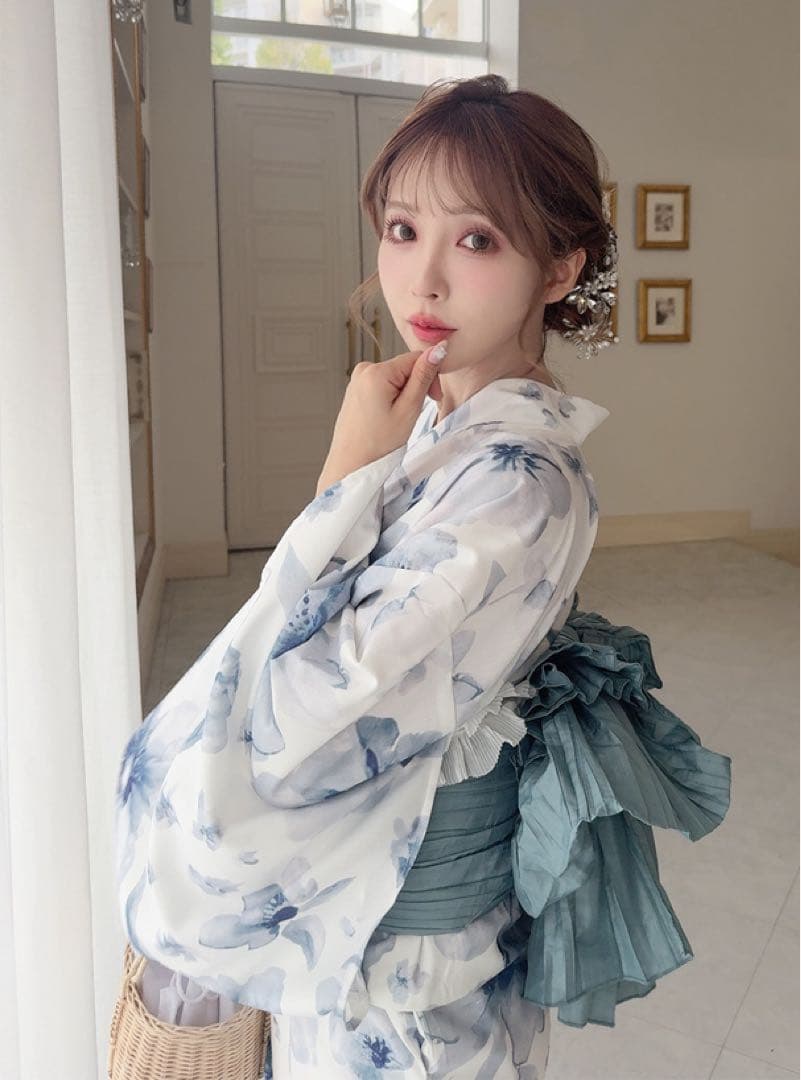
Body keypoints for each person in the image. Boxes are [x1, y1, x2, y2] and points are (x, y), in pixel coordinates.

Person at [114, 76, 731, 1078]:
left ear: (559, 266)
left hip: (411, 979)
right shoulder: (447, 424)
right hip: (375, 931)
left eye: (475, 239)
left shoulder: (517, 480)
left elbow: (295, 712)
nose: (423, 280)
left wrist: (343, 475)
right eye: (402, 231)